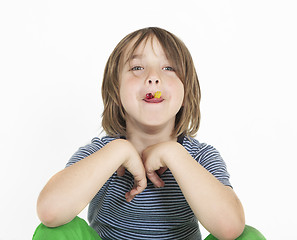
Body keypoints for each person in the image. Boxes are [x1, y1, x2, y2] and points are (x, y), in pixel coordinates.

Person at [34, 27, 246, 240]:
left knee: (248, 237)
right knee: (54, 232)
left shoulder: (200, 156)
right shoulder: (100, 153)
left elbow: (230, 228)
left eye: (168, 67)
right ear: (115, 91)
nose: (153, 78)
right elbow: (50, 212)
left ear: (186, 90)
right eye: (137, 67)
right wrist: (119, 150)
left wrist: (175, 155)